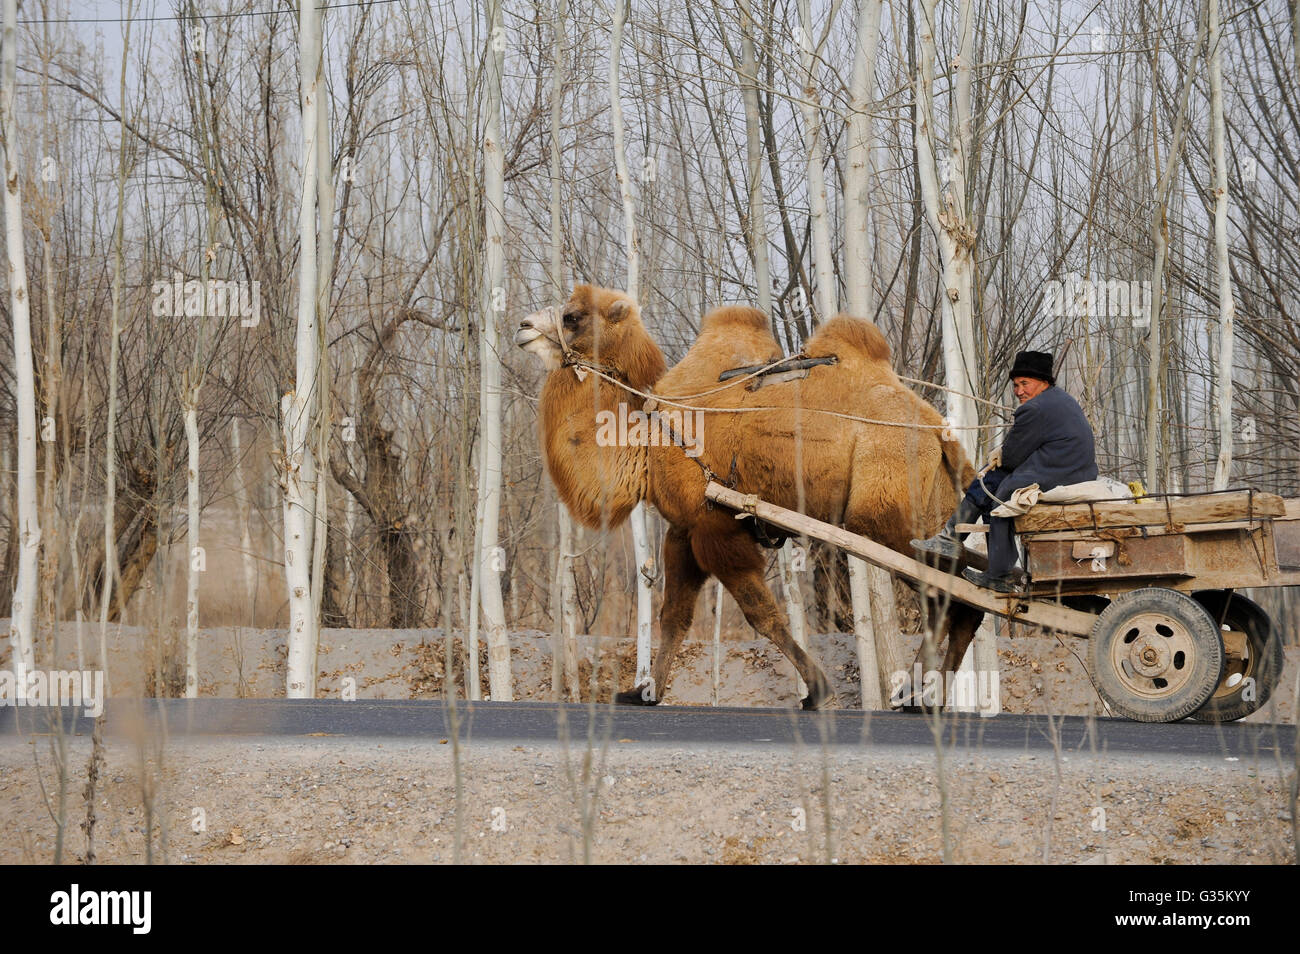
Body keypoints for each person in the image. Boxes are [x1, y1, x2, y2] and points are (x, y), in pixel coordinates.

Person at [912, 350, 1097, 592]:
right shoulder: (1058, 399)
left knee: (997, 491)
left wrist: (1002, 452)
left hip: (1061, 472)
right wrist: (1004, 453)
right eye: (1016, 385)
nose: (1019, 391)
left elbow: (1012, 457)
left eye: (1025, 384)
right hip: (1071, 469)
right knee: (992, 481)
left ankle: (977, 557)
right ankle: (968, 549)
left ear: (1043, 382)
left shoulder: (1035, 409)